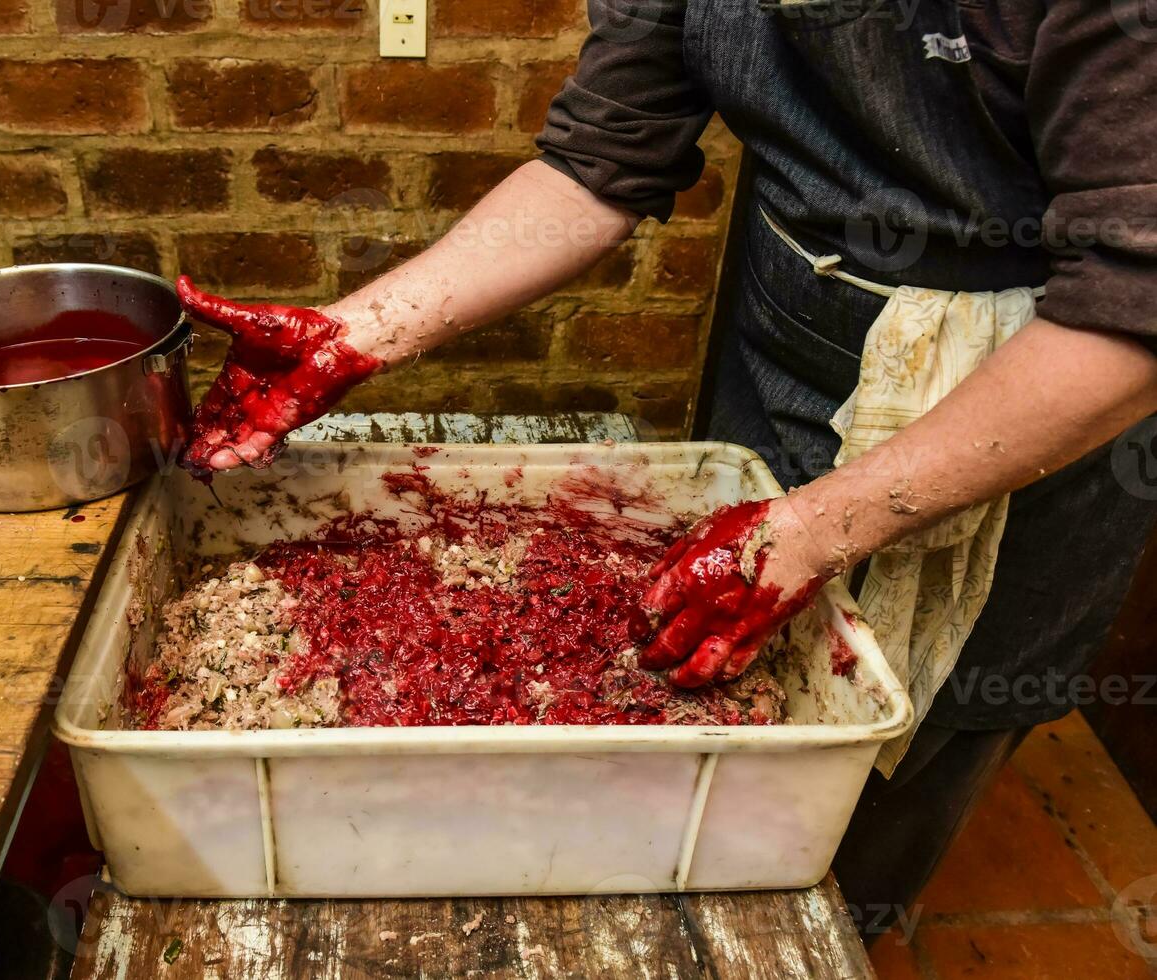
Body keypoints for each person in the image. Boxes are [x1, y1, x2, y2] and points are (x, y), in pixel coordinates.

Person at [174, 0, 1157, 935]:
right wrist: (355, 335)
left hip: (1027, 405)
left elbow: (1134, 301)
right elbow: (602, 156)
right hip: (791, 333)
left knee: (879, 795)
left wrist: (815, 526)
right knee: (693, 726)